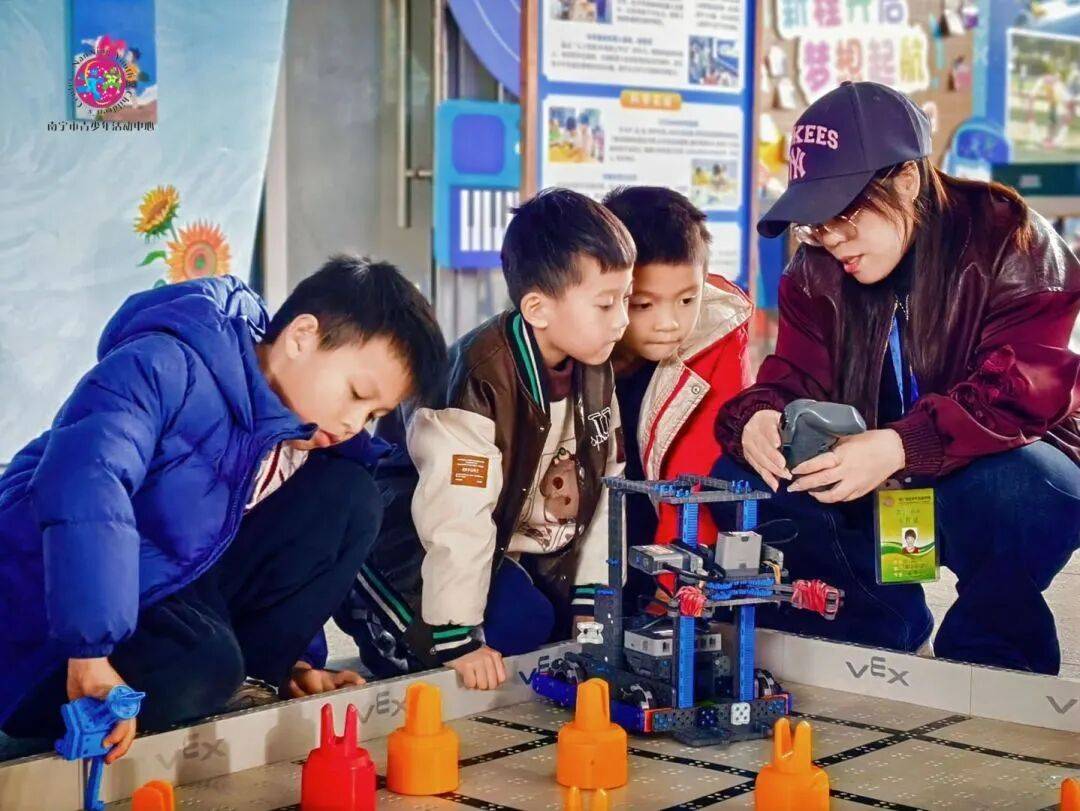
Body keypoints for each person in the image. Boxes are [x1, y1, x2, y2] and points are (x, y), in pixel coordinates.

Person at [0, 257, 447, 758]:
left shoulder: (302, 432)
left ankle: (254, 683)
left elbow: (254, 545)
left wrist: (297, 661)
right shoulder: (165, 364)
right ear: (301, 337)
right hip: (45, 627)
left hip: (167, 592)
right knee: (200, 665)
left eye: (373, 414)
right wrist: (89, 651)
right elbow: (88, 483)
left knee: (351, 498)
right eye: (357, 394)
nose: (353, 423)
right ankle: (164, 688)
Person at [712, 81, 1080, 675]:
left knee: (1024, 487)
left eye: (843, 215)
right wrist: (759, 417)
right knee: (741, 477)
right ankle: (876, 626)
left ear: (906, 179)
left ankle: (993, 653)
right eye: (814, 223)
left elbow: (1020, 391)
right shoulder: (814, 271)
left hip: (978, 475)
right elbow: (793, 378)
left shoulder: (1013, 242)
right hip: (867, 481)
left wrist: (901, 445)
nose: (830, 239)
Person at [338, 188, 634, 689]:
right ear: (537, 308)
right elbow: (456, 513)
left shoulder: (594, 367)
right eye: (605, 304)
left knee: (550, 626)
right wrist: (457, 636)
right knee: (513, 630)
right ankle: (371, 599)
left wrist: (594, 598)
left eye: (626, 299)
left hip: (505, 545)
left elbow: (609, 487)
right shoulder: (478, 379)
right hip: (413, 542)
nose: (623, 320)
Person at [603, 185, 752, 552]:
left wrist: (677, 578)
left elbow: (697, 475)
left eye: (687, 299)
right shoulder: (578, 341)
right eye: (643, 305)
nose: (669, 323)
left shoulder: (715, 340)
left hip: (671, 548)